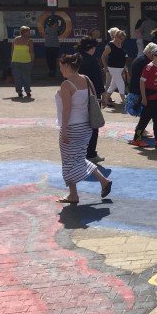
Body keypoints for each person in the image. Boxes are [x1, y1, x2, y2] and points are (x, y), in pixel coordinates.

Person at [54, 53, 112, 205]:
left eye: (61, 66)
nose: (60, 70)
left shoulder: (67, 85)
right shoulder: (86, 79)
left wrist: (64, 129)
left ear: (67, 66)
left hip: (72, 127)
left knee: (68, 161)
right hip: (86, 127)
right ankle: (104, 181)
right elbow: (93, 99)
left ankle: (73, 195)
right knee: (79, 158)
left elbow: (66, 110)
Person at [130, 47, 157, 148]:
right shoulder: (149, 67)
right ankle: (136, 139)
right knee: (144, 120)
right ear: (154, 56)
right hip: (149, 98)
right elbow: (142, 82)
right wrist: (143, 98)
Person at [76, 38, 106, 163]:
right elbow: (98, 80)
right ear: (92, 48)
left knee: (78, 124)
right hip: (91, 96)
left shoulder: (75, 58)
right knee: (93, 124)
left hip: (75, 96)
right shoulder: (92, 61)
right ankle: (91, 154)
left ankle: (78, 152)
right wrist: (104, 95)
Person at [101, 28, 129, 107]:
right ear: (115, 37)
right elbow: (103, 56)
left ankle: (105, 100)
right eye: (119, 38)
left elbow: (122, 57)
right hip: (113, 67)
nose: (121, 40)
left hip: (120, 67)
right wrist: (105, 67)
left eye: (122, 39)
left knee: (113, 85)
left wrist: (124, 67)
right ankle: (125, 102)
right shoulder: (110, 45)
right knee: (121, 84)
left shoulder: (120, 44)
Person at [10, 25, 34, 99]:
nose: (30, 33)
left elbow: (12, 50)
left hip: (15, 61)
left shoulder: (15, 40)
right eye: (28, 31)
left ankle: (19, 92)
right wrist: (32, 60)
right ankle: (27, 91)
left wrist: (12, 59)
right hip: (26, 61)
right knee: (26, 77)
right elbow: (31, 52)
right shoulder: (29, 41)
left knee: (17, 77)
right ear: (24, 32)